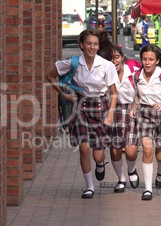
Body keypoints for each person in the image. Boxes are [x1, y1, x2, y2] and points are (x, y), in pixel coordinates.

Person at [46, 29, 118, 199]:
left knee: (97, 154)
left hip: (101, 107)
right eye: (89, 44)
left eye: (95, 44)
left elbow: (114, 92)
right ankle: (89, 186)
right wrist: (63, 94)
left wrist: (111, 114)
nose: (92, 47)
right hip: (81, 106)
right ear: (81, 45)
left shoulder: (106, 65)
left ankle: (100, 164)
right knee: (84, 148)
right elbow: (50, 76)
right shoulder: (73, 62)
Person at [128, 44, 161, 200]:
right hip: (145, 114)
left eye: (151, 59)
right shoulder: (136, 76)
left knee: (160, 155)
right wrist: (133, 107)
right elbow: (137, 96)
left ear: (157, 61)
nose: (147, 62)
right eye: (144, 59)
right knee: (147, 149)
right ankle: (148, 189)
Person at [108, 45, 140, 193]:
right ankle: (121, 179)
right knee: (115, 150)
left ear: (122, 58)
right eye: (110, 58)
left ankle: (132, 170)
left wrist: (135, 107)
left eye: (116, 57)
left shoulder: (133, 71)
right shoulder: (105, 74)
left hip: (132, 109)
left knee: (131, 151)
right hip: (114, 111)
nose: (114, 61)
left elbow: (141, 90)